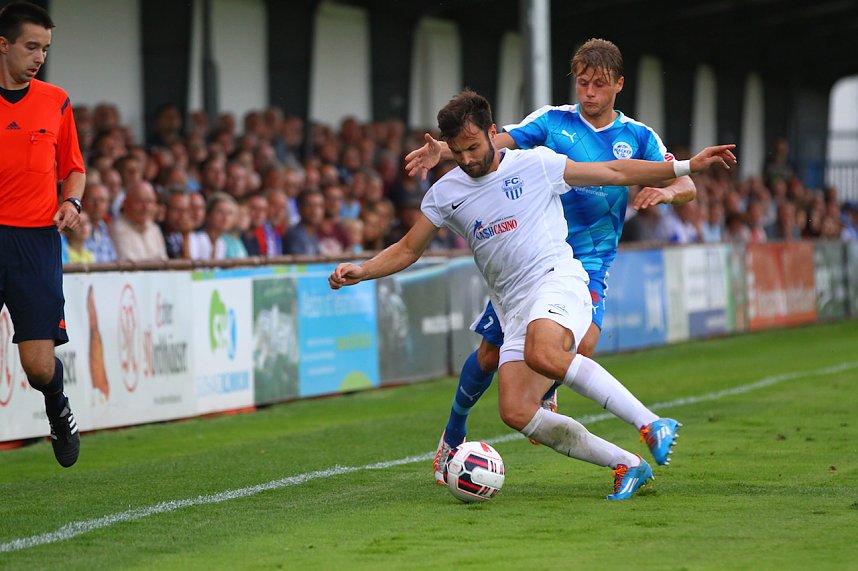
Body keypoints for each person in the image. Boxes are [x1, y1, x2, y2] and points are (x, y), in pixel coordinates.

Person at [331, 90, 735, 500]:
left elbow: (613, 171)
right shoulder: (445, 192)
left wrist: (684, 166)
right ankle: (628, 464)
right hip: (511, 306)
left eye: (473, 147)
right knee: (516, 411)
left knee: (544, 354)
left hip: (557, 279)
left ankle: (651, 422)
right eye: (458, 151)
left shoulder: (537, 164)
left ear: (493, 132)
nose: (468, 159)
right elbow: (406, 249)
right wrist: (363, 270)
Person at [406, 38, 697, 478]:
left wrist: (668, 191)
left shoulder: (637, 136)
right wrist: (443, 151)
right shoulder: (552, 122)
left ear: (619, 84)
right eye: (582, 83)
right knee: (488, 355)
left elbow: (687, 185)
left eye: (599, 84)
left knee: (580, 346)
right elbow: (490, 140)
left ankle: (555, 399)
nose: (589, 92)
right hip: (532, 256)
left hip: (590, 263)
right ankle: (453, 435)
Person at [0, 1, 85, 467]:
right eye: (31, 47)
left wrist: (71, 203)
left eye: (45, 49)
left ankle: (57, 404)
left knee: (37, 366)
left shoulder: (56, 101)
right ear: (3, 44)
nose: (39, 57)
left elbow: (74, 170)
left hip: (35, 242)